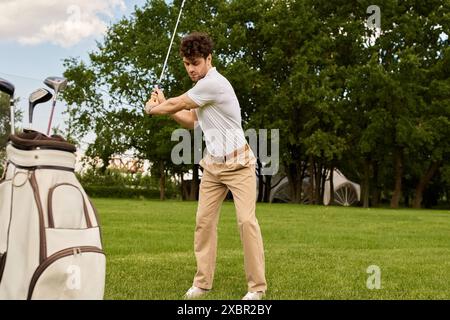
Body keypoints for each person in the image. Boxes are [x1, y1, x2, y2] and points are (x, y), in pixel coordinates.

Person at [145, 32, 267, 300]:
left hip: (239, 164)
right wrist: (165, 102)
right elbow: (190, 119)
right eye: (187, 63)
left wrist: (154, 108)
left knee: (246, 222)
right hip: (213, 165)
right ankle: (202, 283)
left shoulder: (214, 83)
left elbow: (179, 103)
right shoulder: (201, 89)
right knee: (203, 223)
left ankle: (256, 288)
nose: (191, 69)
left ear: (209, 59)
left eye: (196, 63)